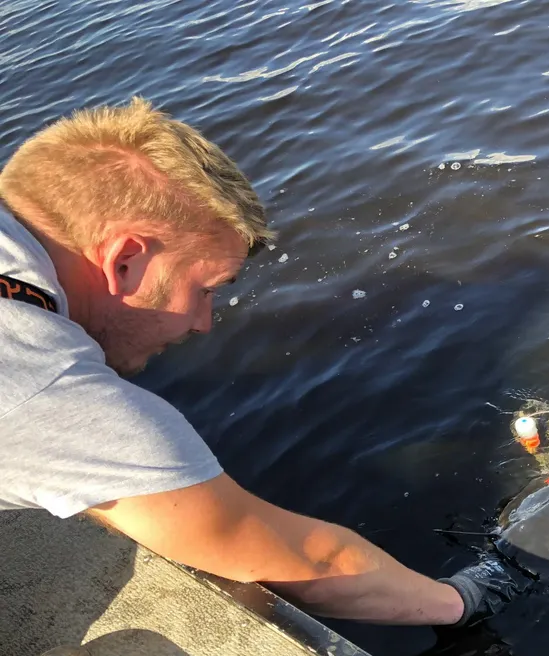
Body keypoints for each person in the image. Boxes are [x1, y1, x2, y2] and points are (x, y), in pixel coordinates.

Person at [0, 96, 519, 628]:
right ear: (126, 259)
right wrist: (473, 597)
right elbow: (315, 562)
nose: (203, 323)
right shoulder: (51, 387)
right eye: (204, 289)